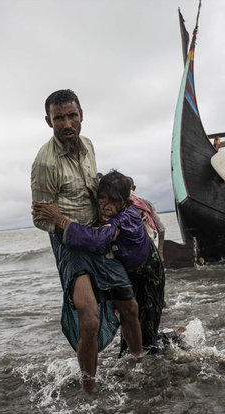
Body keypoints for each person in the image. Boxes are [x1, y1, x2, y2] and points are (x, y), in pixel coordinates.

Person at [30, 89, 143, 393]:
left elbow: (96, 189)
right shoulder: (45, 163)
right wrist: (68, 226)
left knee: (129, 306)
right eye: (59, 118)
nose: (66, 123)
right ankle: (89, 389)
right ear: (48, 121)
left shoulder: (89, 146)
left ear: (82, 116)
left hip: (98, 235)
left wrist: (128, 204)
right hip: (71, 244)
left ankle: (139, 365)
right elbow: (41, 218)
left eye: (72, 115)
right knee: (90, 319)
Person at [33, 170, 180, 357]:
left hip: (149, 275)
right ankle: (130, 364)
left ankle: (175, 337)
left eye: (113, 202)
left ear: (125, 203)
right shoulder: (111, 208)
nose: (105, 207)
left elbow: (96, 239)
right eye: (102, 199)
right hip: (129, 275)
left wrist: (59, 220)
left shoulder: (125, 217)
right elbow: (95, 178)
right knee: (129, 335)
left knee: (148, 340)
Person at [126, 176, 166, 263]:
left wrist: (160, 252)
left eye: (127, 186)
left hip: (146, 246)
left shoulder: (145, 204)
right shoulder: (119, 204)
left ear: (133, 188)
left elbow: (161, 229)